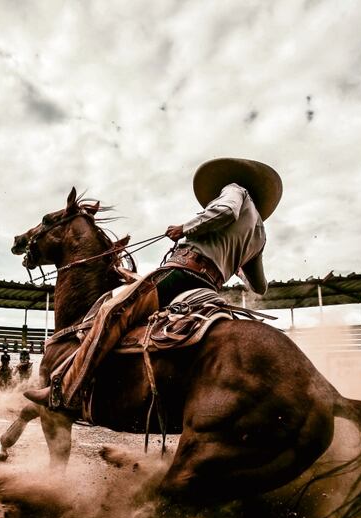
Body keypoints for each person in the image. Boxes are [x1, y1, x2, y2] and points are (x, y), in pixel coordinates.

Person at [25, 157, 279, 411]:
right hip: (208, 289)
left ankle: (67, 390)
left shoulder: (236, 190)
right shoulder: (260, 234)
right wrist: (233, 263)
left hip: (182, 276)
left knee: (113, 311)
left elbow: (225, 212)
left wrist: (185, 228)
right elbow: (259, 287)